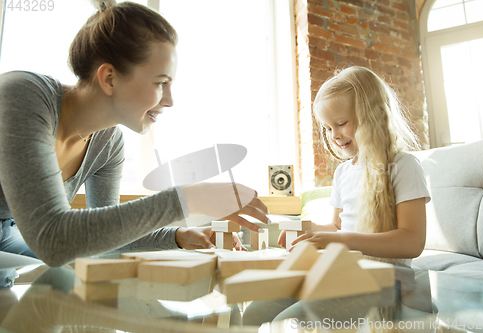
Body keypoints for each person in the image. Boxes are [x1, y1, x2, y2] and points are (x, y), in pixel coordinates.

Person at [0, 1, 268, 287]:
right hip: (23, 241)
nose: (170, 100)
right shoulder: (21, 95)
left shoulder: (108, 143)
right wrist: (191, 198)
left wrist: (176, 237)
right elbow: (53, 240)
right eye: (160, 83)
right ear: (109, 78)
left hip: (11, 241)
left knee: (69, 281)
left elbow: (101, 236)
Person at [278, 66, 430, 265]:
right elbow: (336, 227)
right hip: (349, 273)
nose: (334, 136)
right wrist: (309, 229)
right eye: (328, 128)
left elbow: (413, 242)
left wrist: (342, 240)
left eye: (341, 123)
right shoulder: (343, 172)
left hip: (387, 281)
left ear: (371, 116)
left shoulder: (403, 166)